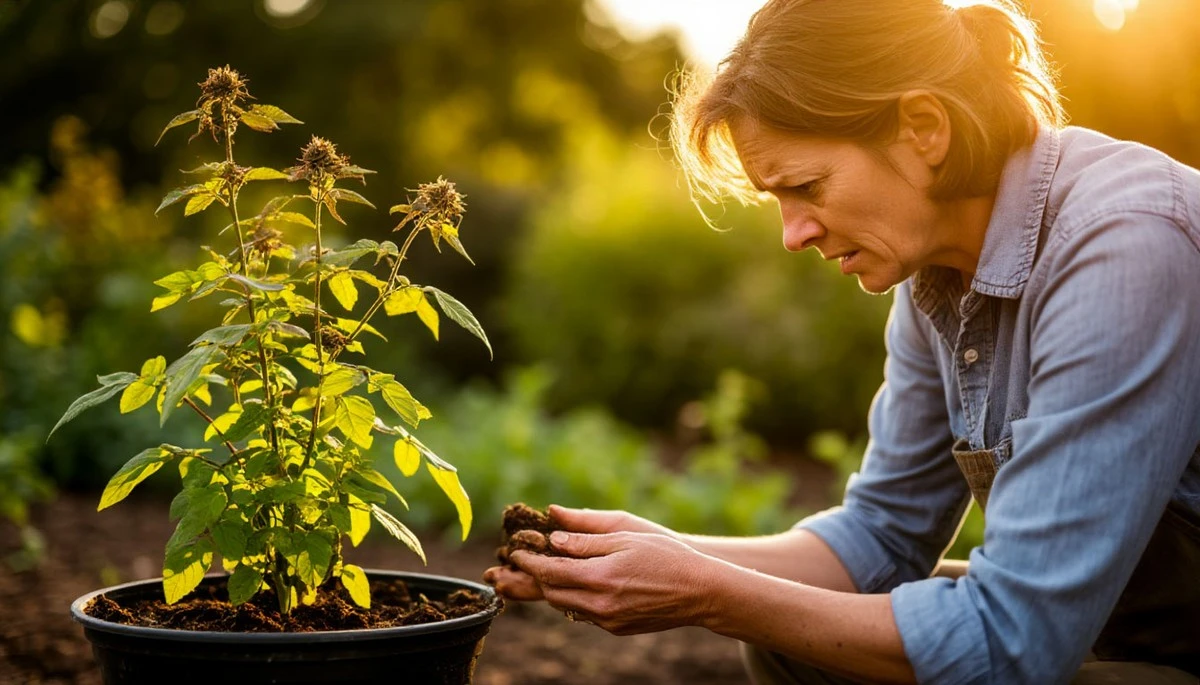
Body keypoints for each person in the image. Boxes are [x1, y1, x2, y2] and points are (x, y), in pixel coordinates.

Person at [483, 0, 1200, 682]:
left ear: (923, 126)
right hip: (1117, 628)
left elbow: (1010, 643)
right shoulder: (939, 276)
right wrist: (648, 555)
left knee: (803, 630)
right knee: (800, 645)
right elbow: (882, 536)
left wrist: (709, 594)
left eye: (808, 187)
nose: (794, 234)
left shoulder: (1124, 243)